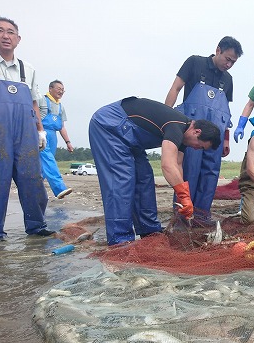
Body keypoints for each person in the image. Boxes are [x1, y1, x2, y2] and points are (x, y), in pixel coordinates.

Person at [89, 97, 221, 246]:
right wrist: (183, 196)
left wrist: (185, 197)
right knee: (121, 180)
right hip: (109, 124)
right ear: (197, 132)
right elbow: (167, 165)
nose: (197, 149)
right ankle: (120, 239)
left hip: (130, 138)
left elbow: (177, 165)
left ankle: (149, 230)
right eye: (200, 146)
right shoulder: (175, 126)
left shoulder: (184, 136)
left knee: (144, 178)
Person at [165, 36, 242, 213]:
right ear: (218, 50)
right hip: (193, 133)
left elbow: (225, 112)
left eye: (233, 62)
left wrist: (226, 140)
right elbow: (175, 88)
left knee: (210, 175)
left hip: (215, 137)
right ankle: (183, 216)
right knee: (189, 172)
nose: (229, 64)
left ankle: (202, 216)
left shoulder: (228, 80)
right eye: (227, 59)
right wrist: (165, 119)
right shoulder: (194, 63)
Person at [0, 17, 54, 240]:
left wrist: (40, 130)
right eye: (0, 30)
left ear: (18, 39)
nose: (5, 35)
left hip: (25, 131)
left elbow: (33, 103)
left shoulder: (27, 69)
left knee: (31, 177)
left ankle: (37, 225)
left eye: (10, 32)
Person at [39, 80, 73, 199]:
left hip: (53, 135)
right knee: (48, 160)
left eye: (63, 89)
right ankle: (59, 188)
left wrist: (68, 142)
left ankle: (36, 189)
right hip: (40, 133)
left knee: (44, 164)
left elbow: (62, 127)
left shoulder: (60, 107)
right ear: (50, 89)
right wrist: (40, 132)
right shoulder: (41, 100)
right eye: (59, 88)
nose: (61, 91)